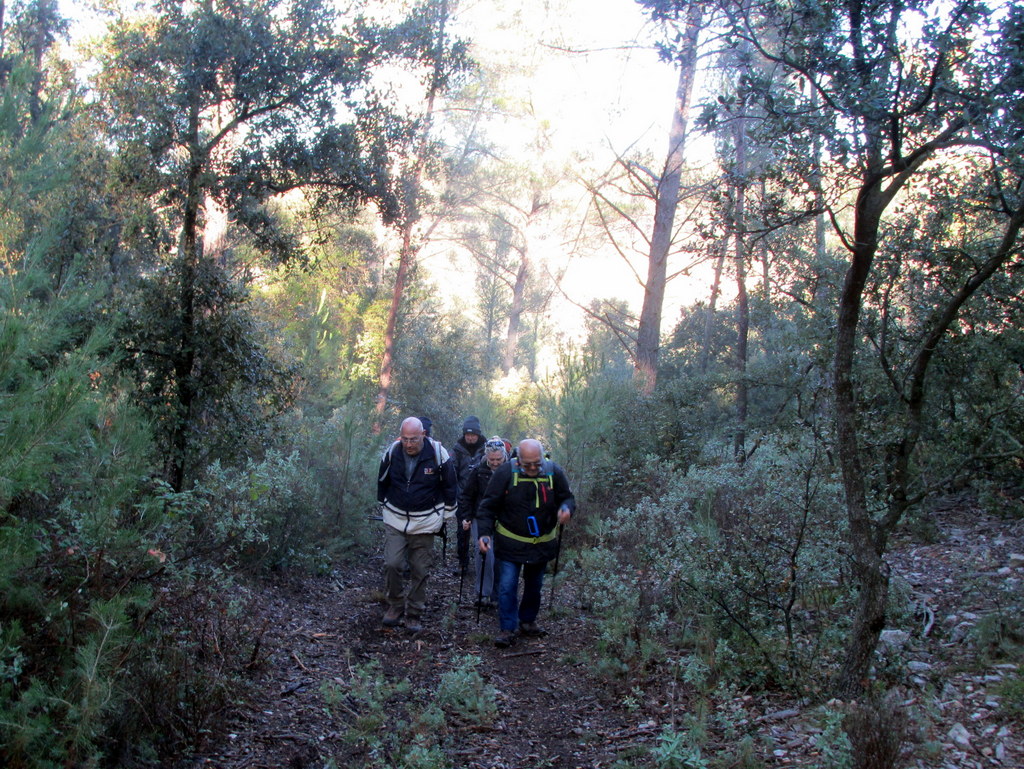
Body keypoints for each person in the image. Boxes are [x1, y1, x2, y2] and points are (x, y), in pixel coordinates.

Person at [476, 438, 575, 648]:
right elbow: (487, 507)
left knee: (534, 586)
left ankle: (528, 621)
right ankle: (507, 628)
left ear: (542, 458)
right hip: (510, 542)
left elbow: (568, 498)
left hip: (541, 545)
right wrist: (484, 534)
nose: (532, 468)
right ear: (518, 459)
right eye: (527, 464)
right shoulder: (505, 473)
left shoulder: (553, 472)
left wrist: (566, 510)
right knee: (507, 586)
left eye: (536, 463)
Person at [377, 417, 457, 632]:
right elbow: (382, 480)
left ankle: (414, 612)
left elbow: (450, 485)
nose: (409, 444)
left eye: (413, 439)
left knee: (420, 569)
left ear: (423, 434)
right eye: (405, 439)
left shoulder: (439, 454)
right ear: (400, 437)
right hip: (396, 517)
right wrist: (383, 503)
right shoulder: (392, 452)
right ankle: (394, 605)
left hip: (425, 521)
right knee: (392, 564)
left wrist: (446, 514)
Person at [458, 437, 507, 607]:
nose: (494, 463)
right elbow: (467, 495)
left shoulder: (512, 470)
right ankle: (482, 593)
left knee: (501, 556)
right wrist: (467, 516)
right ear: (486, 457)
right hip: (481, 516)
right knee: (484, 553)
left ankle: (497, 594)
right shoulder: (479, 470)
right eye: (491, 459)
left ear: (504, 456)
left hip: (505, 518)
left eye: (498, 459)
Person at [451, 415, 486, 574]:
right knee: (462, 532)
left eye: (473, 434)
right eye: (468, 434)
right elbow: (452, 473)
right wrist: (457, 494)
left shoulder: (486, 449)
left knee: (483, 531)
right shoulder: (457, 449)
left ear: (478, 434)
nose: (470, 437)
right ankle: (463, 563)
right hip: (463, 498)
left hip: (482, 499)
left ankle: (483, 563)